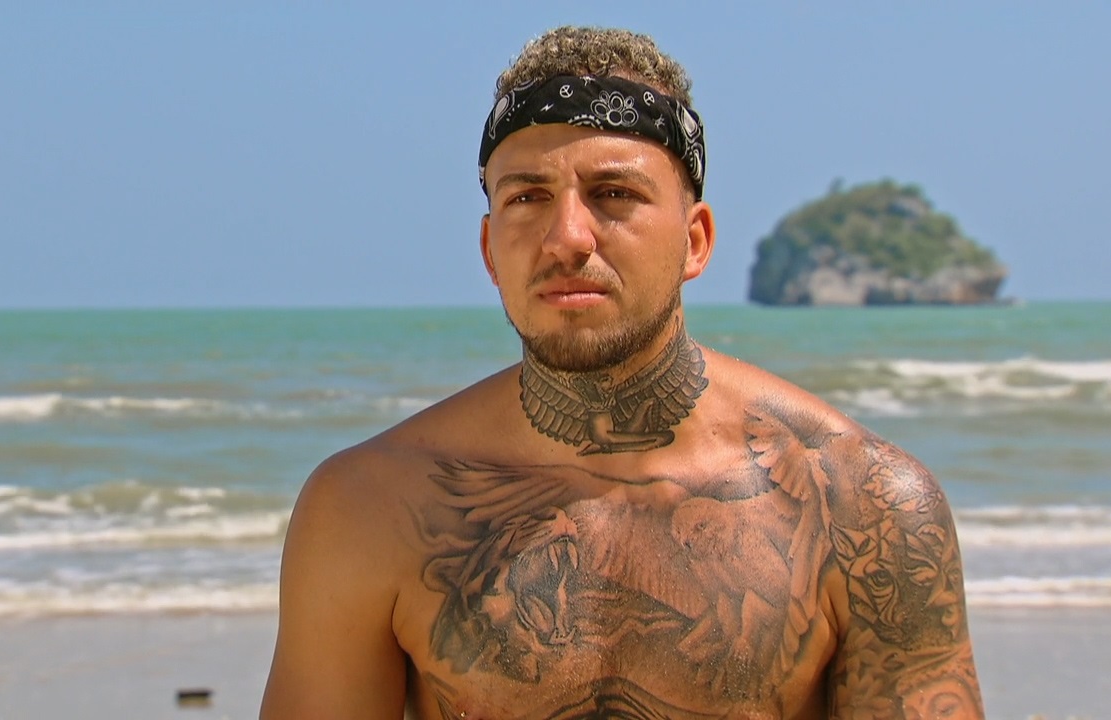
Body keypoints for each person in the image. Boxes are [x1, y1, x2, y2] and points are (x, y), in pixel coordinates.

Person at [259, 25, 983, 719]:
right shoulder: (369, 508)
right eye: (527, 198)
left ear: (695, 241)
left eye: (614, 195)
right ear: (489, 250)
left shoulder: (865, 509)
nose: (567, 238)